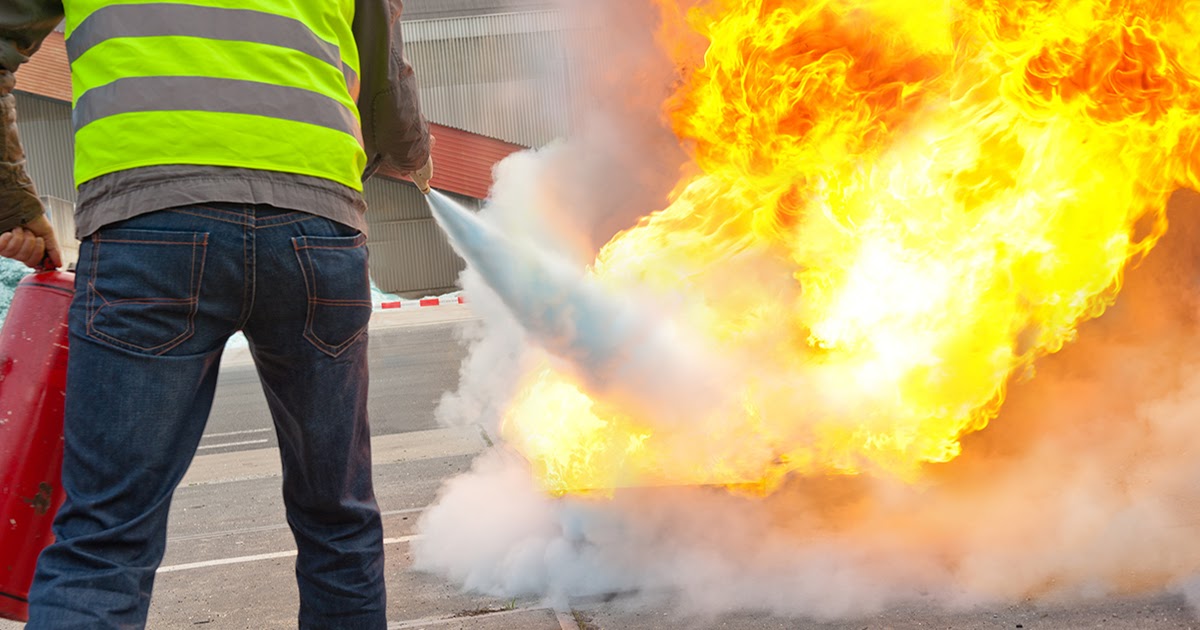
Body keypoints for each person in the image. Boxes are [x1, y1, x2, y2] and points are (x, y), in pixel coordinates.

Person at [0, 1, 433, 627]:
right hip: (317, 228)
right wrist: (413, 155)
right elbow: (387, 80)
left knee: (106, 535)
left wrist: (12, 201)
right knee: (338, 517)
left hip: (148, 222)